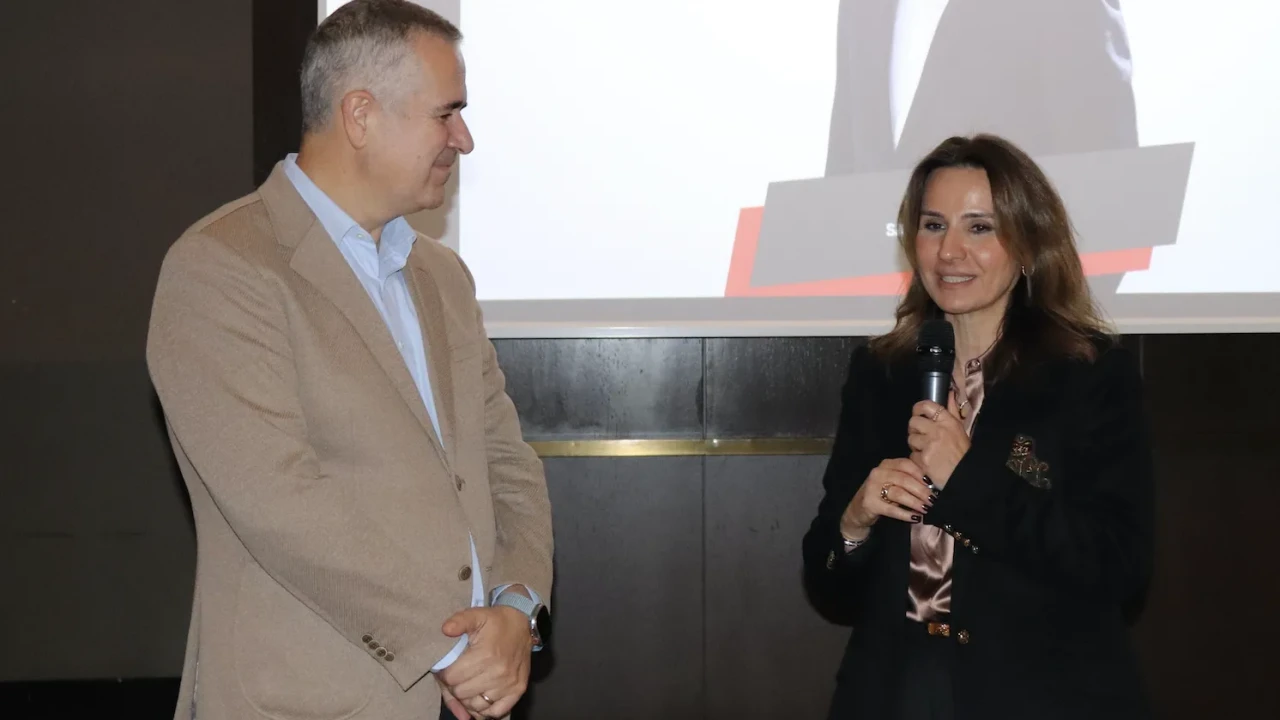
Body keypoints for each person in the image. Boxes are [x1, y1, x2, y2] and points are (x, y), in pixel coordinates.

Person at [145, 2, 552, 719]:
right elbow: (279, 501)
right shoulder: (221, 266)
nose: (464, 139)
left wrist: (517, 609)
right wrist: (454, 650)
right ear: (360, 115)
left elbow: (505, 463)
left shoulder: (443, 277)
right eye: (447, 114)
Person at [802, 134, 1154, 719]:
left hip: (1040, 693)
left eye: (980, 228)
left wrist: (966, 477)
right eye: (933, 226)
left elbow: (1119, 567)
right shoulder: (881, 372)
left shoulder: (1089, 375)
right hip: (895, 688)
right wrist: (855, 523)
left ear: (1028, 243)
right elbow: (829, 585)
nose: (950, 251)